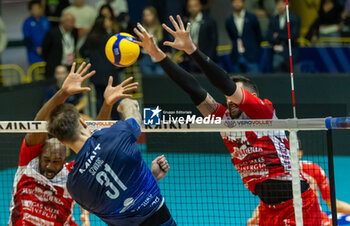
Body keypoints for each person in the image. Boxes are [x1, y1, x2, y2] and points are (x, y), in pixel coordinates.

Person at [133, 16, 322, 225]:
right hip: (269, 208)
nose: (230, 99)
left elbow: (223, 82)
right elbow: (193, 88)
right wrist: (157, 55)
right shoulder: (222, 118)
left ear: (252, 98)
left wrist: (192, 50)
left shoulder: (263, 112)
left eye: (237, 94)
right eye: (228, 97)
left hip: (298, 203)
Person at [47, 63, 176, 226]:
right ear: (82, 121)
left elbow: (114, 207)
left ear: (61, 141)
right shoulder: (116, 135)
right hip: (159, 219)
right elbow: (133, 112)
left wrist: (152, 177)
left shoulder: (74, 185)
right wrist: (125, 101)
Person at [247, 140, 350, 225]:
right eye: (284, 151)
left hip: (313, 218)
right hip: (283, 217)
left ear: (300, 153)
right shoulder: (274, 173)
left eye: (291, 151)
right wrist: (254, 218)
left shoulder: (313, 169)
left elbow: (333, 204)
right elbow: (265, 203)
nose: (287, 155)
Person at [80, 16, 120, 119]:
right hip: (109, 72)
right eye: (107, 20)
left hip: (96, 73)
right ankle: (115, 121)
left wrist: (91, 56)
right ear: (103, 23)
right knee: (113, 99)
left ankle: (100, 122)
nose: (110, 22)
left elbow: (81, 51)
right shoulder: (109, 38)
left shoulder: (91, 38)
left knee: (99, 99)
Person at [179, 0, 217, 72]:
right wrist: (184, 56)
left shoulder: (209, 21)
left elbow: (213, 42)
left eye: (195, 6)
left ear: (200, 6)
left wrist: (208, 59)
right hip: (191, 58)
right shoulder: (186, 23)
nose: (193, 8)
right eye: (190, 6)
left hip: (206, 57)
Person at [225, 0, 262, 74]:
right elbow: (232, 37)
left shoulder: (252, 18)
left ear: (243, 3)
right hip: (236, 56)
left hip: (251, 55)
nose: (237, 4)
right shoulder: (229, 20)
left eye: (239, 2)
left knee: (254, 81)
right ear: (232, 4)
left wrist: (256, 51)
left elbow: (258, 36)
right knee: (237, 82)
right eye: (235, 2)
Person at [267, 0, 300, 72]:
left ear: (288, 5)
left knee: (294, 77)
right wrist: (284, 36)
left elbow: (293, 36)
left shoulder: (294, 18)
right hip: (277, 53)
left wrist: (278, 35)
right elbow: (269, 37)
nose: (280, 6)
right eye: (278, 4)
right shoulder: (273, 19)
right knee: (278, 76)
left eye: (282, 4)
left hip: (291, 52)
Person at [42, 12, 78, 79]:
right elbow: (45, 50)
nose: (73, 24)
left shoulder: (74, 32)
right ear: (63, 22)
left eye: (74, 21)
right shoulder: (52, 33)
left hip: (69, 66)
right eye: (70, 21)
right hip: (55, 67)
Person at [139, 6, 167, 76]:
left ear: (154, 15)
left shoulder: (161, 29)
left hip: (159, 55)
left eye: (148, 15)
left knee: (160, 75)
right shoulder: (141, 30)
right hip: (146, 57)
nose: (146, 17)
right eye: (144, 15)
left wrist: (168, 53)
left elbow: (166, 44)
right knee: (148, 77)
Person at [23, 0, 51, 65]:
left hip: (47, 53)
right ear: (30, 10)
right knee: (35, 73)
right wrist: (36, 49)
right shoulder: (27, 22)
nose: (36, 10)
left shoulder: (45, 20)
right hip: (34, 55)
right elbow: (27, 39)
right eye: (34, 8)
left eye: (38, 8)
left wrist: (46, 47)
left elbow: (50, 36)